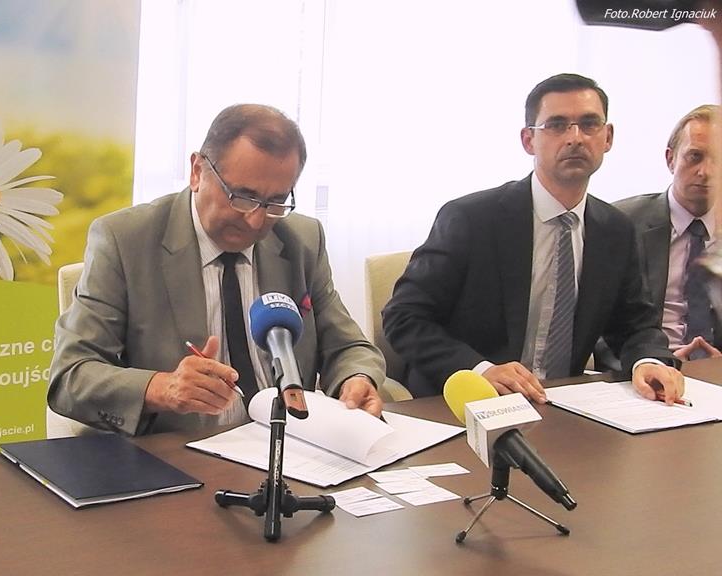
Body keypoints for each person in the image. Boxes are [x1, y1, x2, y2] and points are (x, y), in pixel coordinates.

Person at [49, 104, 389, 435]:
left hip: (291, 446)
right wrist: (163, 387)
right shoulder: (125, 240)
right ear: (197, 171)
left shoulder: (302, 239)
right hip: (180, 449)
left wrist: (356, 378)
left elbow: (348, 347)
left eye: (275, 202)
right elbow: (70, 376)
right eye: (242, 197)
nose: (255, 220)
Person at [383, 73, 684, 403]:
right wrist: (480, 370)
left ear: (608, 137)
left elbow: (635, 324)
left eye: (589, 124)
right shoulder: (470, 219)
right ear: (528, 140)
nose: (575, 138)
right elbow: (403, 317)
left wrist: (648, 361)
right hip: (466, 403)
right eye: (556, 125)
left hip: (561, 404)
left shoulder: (615, 229)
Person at [607, 105, 720, 365]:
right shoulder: (621, 222)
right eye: (695, 156)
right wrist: (652, 361)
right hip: (643, 368)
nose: (706, 172)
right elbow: (595, 323)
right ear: (670, 159)